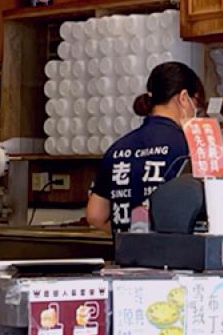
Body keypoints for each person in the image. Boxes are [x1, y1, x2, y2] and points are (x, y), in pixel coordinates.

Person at [86, 61, 205, 232]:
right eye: (197, 103)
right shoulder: (191, 145)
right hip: (174, 255)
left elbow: (95, 215)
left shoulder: (117, 149)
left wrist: (131, 237)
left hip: (125, 255)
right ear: (184, 98)